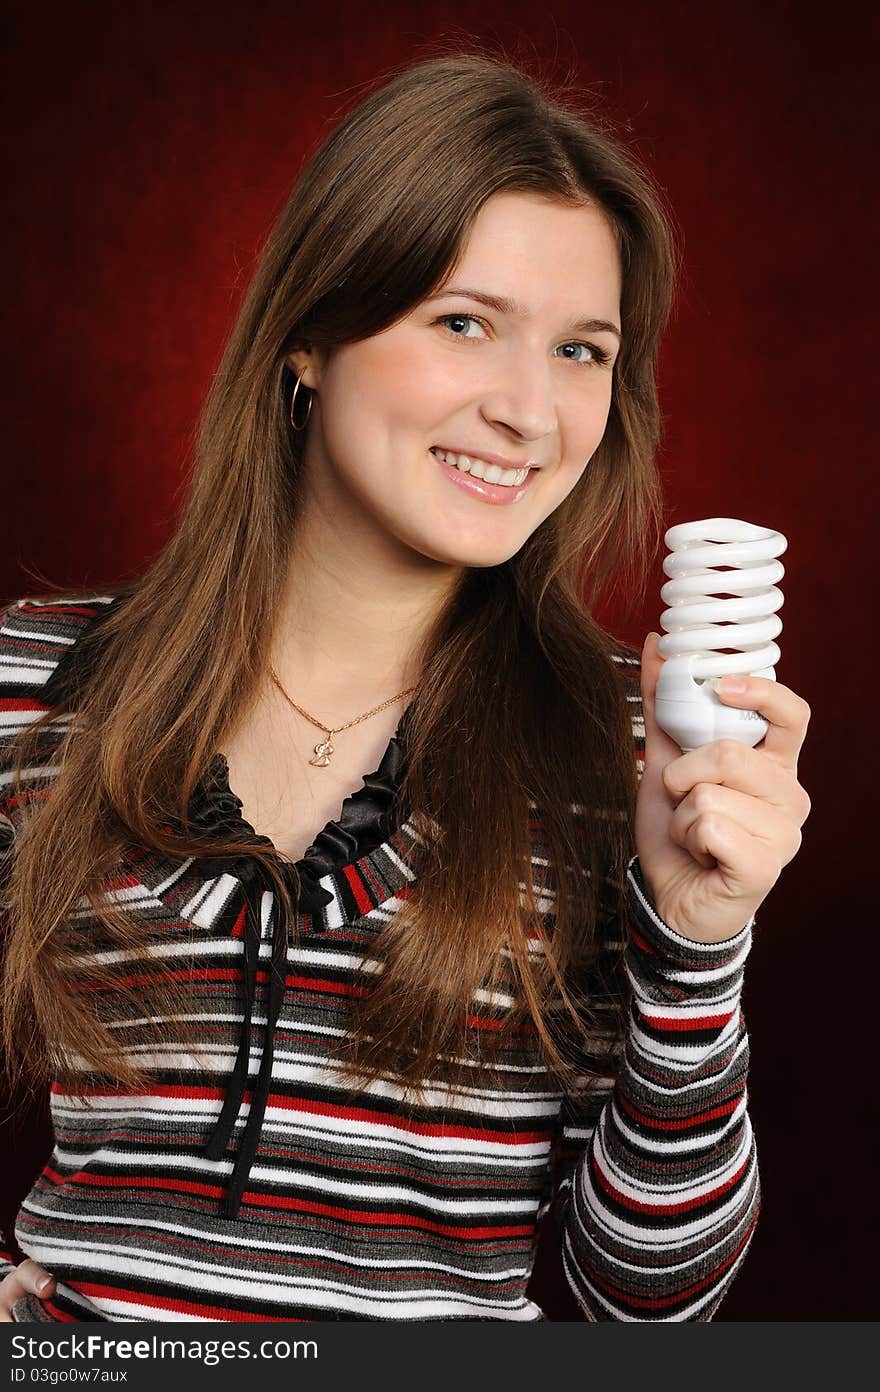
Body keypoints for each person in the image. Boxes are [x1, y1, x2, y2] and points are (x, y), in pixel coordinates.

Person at [0, 49, 811, 1323]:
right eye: (463, 322)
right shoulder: (33, 688)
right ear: (313, 337)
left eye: (583, 351)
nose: (531, 413)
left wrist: (696, 944)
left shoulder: (624, 753)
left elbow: (646, 1307)